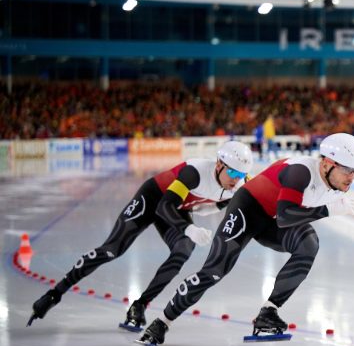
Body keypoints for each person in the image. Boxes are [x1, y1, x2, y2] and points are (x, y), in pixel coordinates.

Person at [136, 133, 354, 346]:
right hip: (247, 210)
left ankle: (269, 312)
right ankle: (161, 322)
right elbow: (286, 216)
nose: (352, 177)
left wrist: (327, 208)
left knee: (308, 244)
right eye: (347, 170)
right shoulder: (301, 172)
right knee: (215, 270)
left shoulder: (337, 183)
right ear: (326, 164)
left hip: (271, 219)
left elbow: (286, 216)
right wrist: (326, 210)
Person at [28, 141, 253, 328]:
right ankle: (54, 294)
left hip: (179, 209)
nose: (236, 178)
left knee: (183, 249)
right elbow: (165, 207)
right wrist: (189, 228)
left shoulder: (240, 182)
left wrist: (212, 208)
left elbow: (240, 199)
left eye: (241, 174)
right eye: (232, 171)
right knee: (111, 250)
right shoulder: (193, 173)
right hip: (154, 199)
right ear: (218, 165)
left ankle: (140, 305)